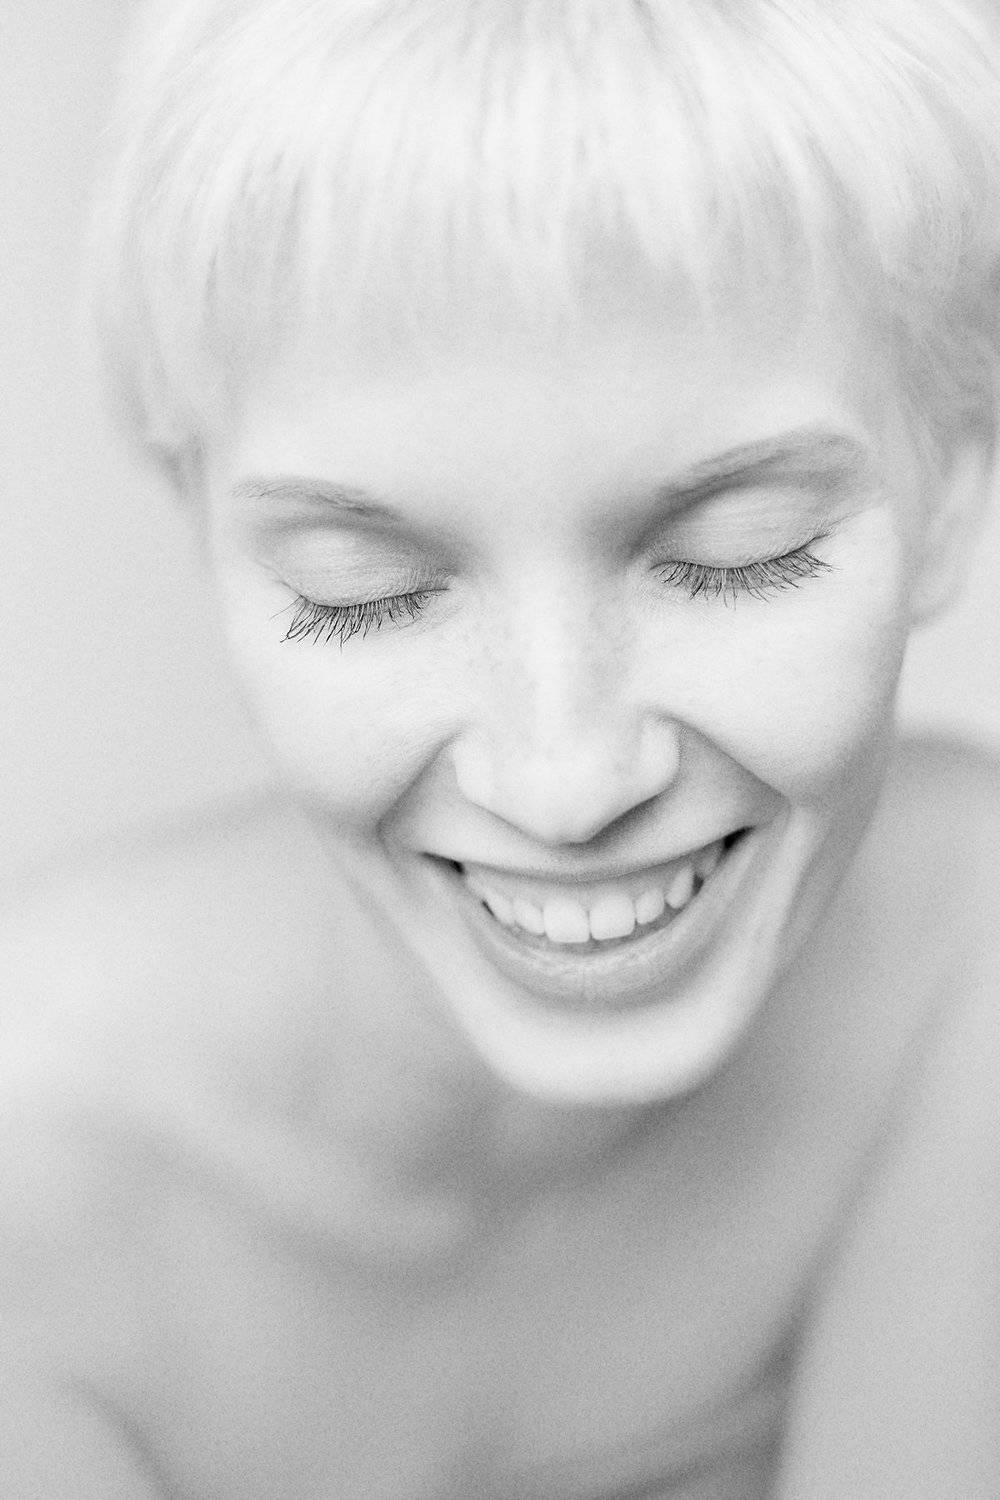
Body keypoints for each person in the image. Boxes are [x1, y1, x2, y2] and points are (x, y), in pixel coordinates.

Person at [2, 0, 1000, 1494]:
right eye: (363, 585)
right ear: (193, 519)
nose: (566, 778)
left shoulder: (965, 947)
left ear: (951, 482)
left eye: (737, 553)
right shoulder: (29, 1190)